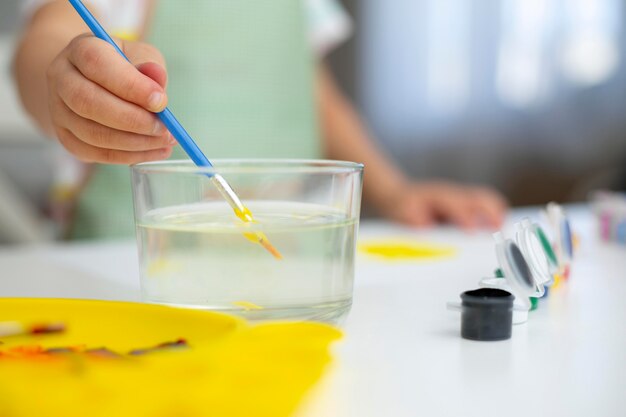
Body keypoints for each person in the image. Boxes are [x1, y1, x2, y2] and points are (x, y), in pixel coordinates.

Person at [13, 0, 507, 239]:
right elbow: (46, 43)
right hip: (130, 259)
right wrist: (63, 85)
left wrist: (397, 191)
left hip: (285, 252)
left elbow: (316, 92)